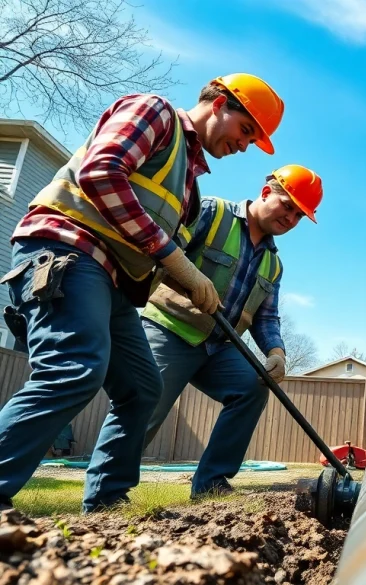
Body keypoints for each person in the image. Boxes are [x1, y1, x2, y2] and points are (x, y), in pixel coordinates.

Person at [0, 72, 285, 512]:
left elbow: (162, 253)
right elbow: (101, 172)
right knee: (74, 369)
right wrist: (177, 261)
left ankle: (107, 502)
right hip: (68, 249)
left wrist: (189, 278)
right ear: (218, 104)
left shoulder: (188, 186)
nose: (244, 145)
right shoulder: (156, 113)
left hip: (114, 280)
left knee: (141, 389)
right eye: (245, 129)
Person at [93, 164, 321, 500]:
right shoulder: (213, 213)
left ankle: (211, 483)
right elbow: (163, 252)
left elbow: (266, 317)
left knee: (252, 387)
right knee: (144, 401)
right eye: (287, 206)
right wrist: (190, 279)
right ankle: (105, 493)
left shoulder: (273, 264)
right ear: (266, 192)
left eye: (299, 215)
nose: (290, 218)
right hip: (171, 326)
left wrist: (277, 352)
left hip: (219, 346)